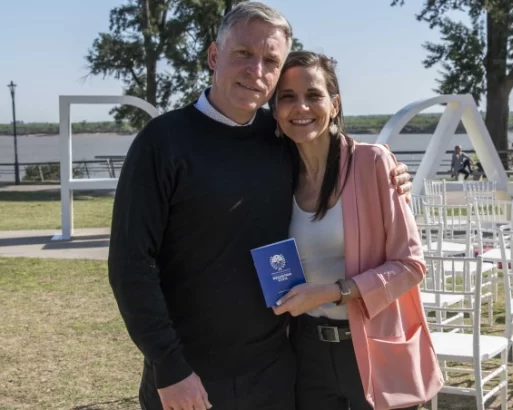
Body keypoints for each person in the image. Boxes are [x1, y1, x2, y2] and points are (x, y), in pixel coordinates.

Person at [107, 3, 412, 410]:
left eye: (271, 61)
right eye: (243, 54)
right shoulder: (161, 143)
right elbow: (130, 266)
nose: (257, 71)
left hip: (277, 372)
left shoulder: (280, 136)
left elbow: (332, 147)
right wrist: (170, 367)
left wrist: (393, 175)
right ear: (215, 56)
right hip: (191, 374)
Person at [270, 51, 443, 410]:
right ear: (275, 111)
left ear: (334, 105)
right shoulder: (274, 176)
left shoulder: (373, 164)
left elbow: (411, 265)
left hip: (373, 347)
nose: (300, 107)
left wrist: (334, 292)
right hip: (306, 353)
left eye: (313, 95)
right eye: (287, 97)